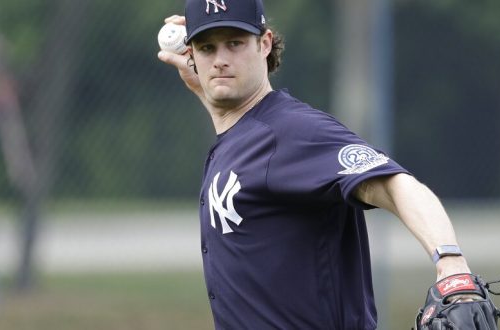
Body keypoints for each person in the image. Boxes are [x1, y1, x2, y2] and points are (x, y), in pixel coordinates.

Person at [158, 0, 473, 328]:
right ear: (192, 56)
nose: (220, 60)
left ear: (264, 44)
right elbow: (226, 111)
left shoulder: (291, 132)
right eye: (207, 47)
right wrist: (205, 91)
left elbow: (396, 185)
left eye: (234, 43)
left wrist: (451, 263)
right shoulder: (238, 137)